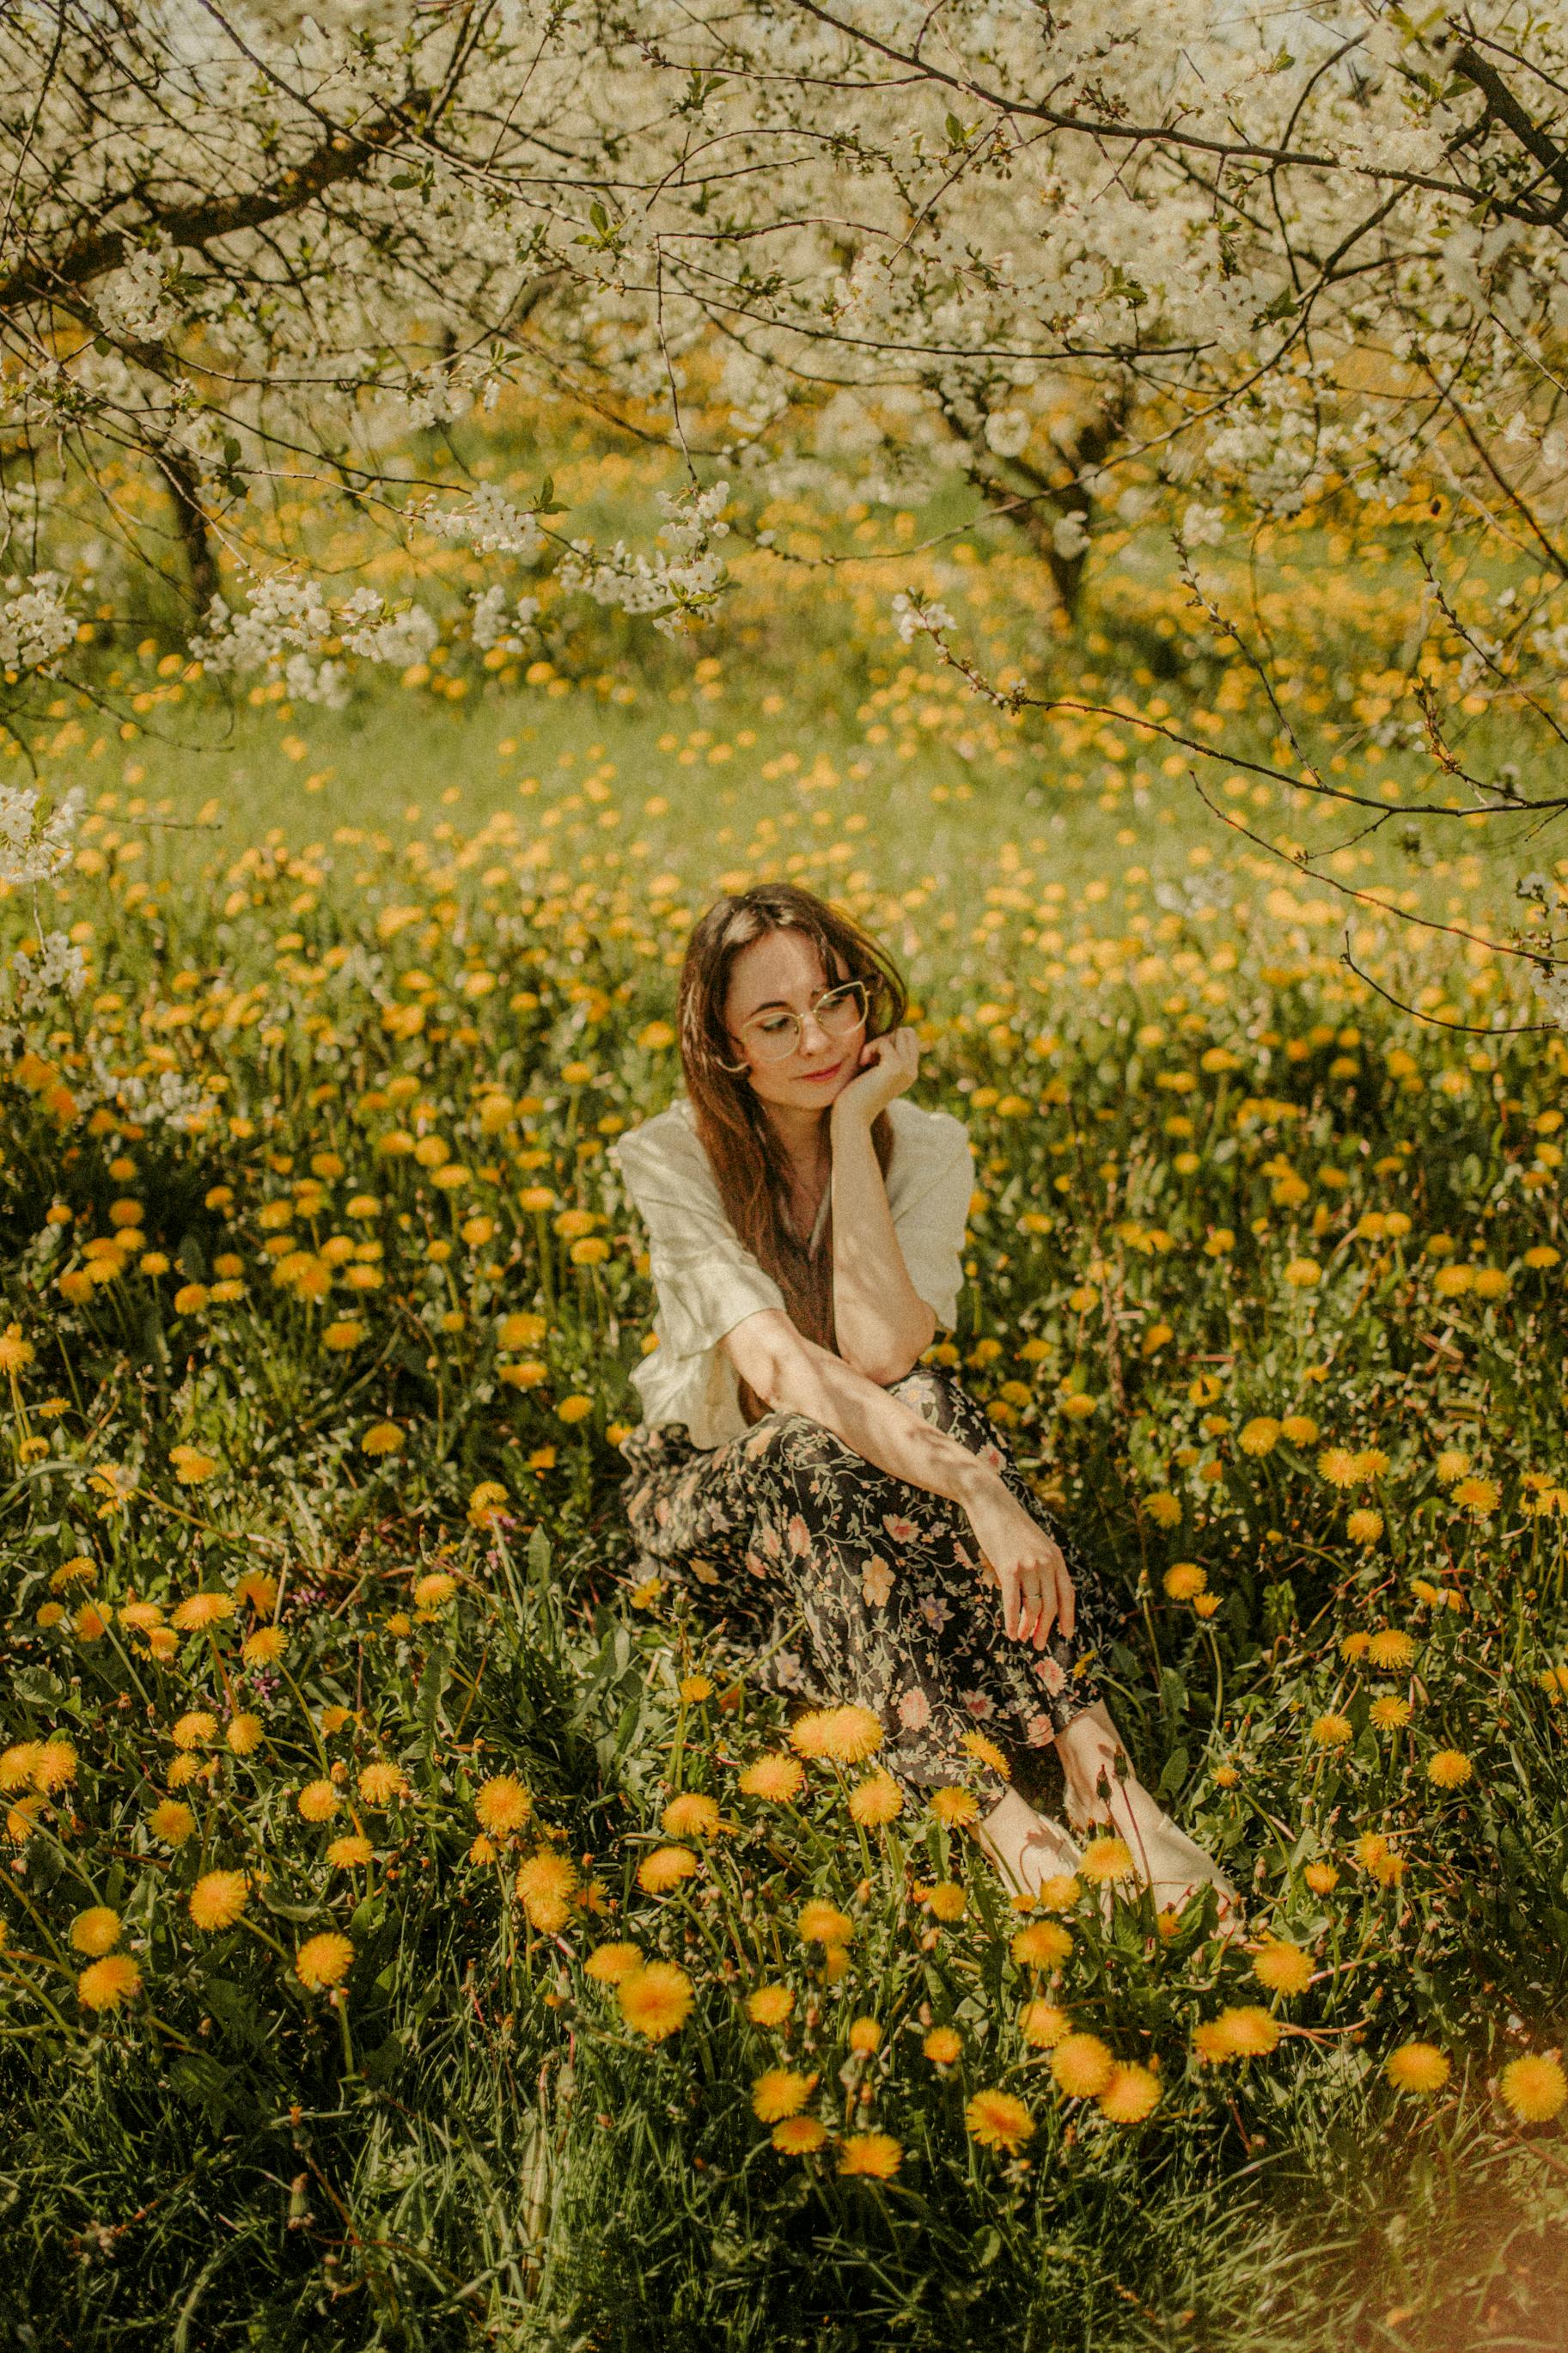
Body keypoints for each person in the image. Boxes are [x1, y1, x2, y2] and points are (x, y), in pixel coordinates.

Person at [609, 882, 1235, 1923]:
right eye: (774, 1021)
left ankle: (1097, 1763)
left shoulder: (926, 1144)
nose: (817, 1036)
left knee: (926, 1390)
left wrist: (854, 1124)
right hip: (712, 1493)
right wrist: (979, 1491)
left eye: (835, 999)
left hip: (863, 1471)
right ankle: (997, 1814)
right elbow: (788, 1376)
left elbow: (881, 1346)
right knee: (807, 1447)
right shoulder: (669, 1157)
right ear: (727, 1050)